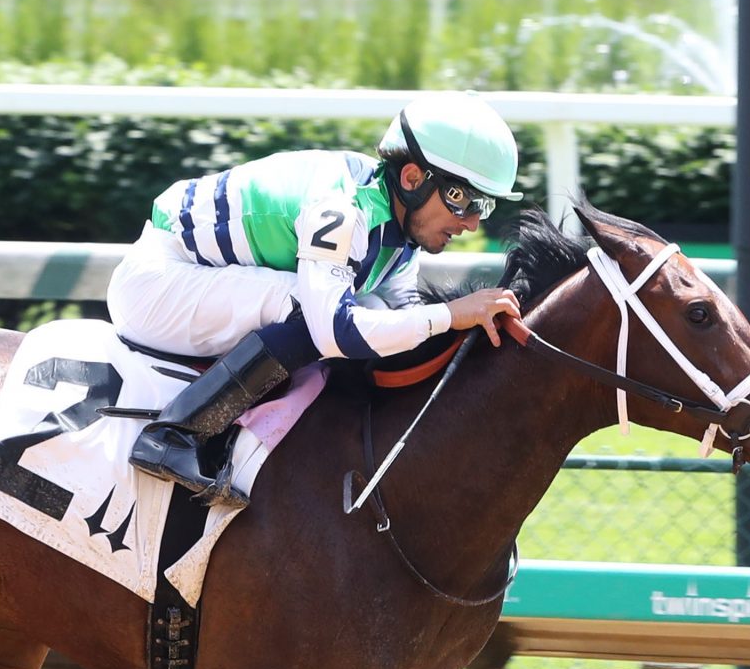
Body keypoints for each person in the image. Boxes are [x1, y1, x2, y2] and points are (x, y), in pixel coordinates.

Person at [107, 92, 533, 507]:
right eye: (464, 200)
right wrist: (449, 314)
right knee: (308, 309)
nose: (474, 223)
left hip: (199, 279)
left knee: (378, 312)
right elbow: (335, 333)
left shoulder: (400, 235)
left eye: (486, 205)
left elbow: (402, 322)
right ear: (412, 180)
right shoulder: (342, 209)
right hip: (157, 282)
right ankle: (176, 433)